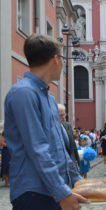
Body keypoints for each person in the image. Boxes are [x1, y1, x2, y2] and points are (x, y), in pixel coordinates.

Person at [3, 34, 88, 209]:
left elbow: (59, 149)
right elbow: (38, 149)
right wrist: (62, 192)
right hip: (34, 193)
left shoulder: (48, 98)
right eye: (63, 59)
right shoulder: (24, 93)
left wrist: (77, 181)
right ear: (56, 59)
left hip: (53, 190)